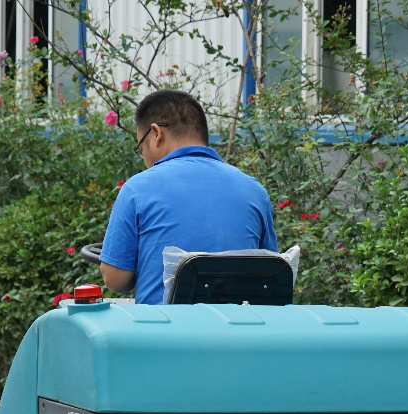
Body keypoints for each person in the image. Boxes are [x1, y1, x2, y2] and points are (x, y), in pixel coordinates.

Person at [99, 90, 278, 304]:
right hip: (236, 334)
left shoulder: (137, 189)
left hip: (161, 333)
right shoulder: (254, 191)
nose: (144, 158)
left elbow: (115, 279)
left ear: (156, 134)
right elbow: (271, 275)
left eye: (141, 147)